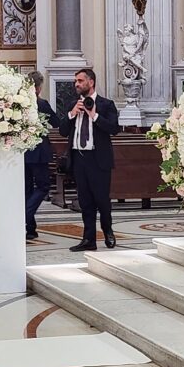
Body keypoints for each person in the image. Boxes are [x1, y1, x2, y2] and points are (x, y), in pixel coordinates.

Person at [59, 69, 120, 252]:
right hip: (79, 158)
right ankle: (88, 239)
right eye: (75, 81)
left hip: (98, 159)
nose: (76, 84)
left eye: (80, 80)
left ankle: (107, 230)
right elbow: (62, 131)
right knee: (85, 201)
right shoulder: (73, 104)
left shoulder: (106, 104)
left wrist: (94, 115)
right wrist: (71, 114)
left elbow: (114, 129)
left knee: (102, 199)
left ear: (91, 82)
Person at [24, 71, 60, 240]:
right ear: (38, 88)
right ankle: (26, 214)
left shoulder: (19, 106)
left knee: (27, 189)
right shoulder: (41, 104)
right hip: (38, 152)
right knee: (43, 186)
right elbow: (57, 123)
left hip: (22, 151)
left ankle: (30, 229)